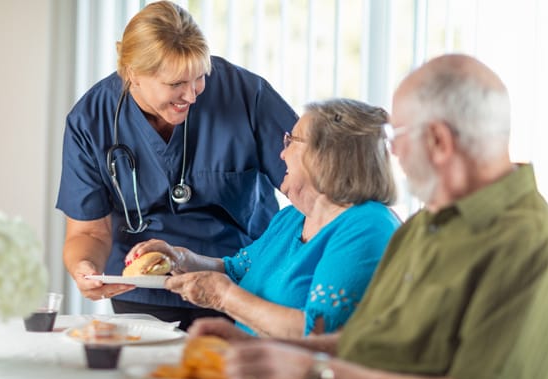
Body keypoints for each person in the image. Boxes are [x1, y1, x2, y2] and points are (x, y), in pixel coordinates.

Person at [187, 54, 548, 379]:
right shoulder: (426, 224)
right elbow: (363, 342)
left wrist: (312, 376)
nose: (392, 154)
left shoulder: (527, 242)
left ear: (438, 141)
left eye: (397, 137)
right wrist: (265, 349)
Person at [55, 1, 298, 330]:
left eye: (200, 77)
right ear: (132, 75)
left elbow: (308, 184)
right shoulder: (91, 119)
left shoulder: (245, 94)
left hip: (240, 279)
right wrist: (85, 268)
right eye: (176, 84)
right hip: (144, 291)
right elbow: (88, 231)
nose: (193, 95)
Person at [126, 98, 401, 338]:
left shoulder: (368, 226)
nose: (281, 152)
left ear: (326, 156)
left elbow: (319, 333)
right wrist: (180, 259)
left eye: (291, 141)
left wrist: (223, 297)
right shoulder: (291, 218)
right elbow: (236, 269)